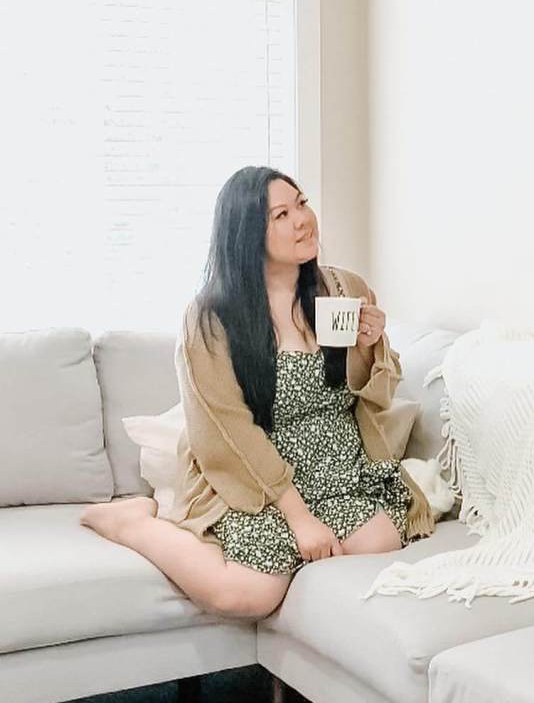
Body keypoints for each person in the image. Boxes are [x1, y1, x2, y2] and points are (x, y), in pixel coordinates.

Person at [80, 166, 433, 620]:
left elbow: (371, 395)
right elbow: (226, 429)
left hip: (340, 468)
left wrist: (369, 346)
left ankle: (298, 559)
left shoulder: (344, 288)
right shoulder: (210, 318)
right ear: (247, 235)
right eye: (281, 215)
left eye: (302, 203)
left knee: (379, 540)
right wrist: (300, 518)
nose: (303, 220)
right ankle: (132, 524)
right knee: (246, 595)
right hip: (257, 478)